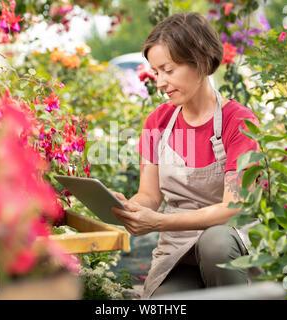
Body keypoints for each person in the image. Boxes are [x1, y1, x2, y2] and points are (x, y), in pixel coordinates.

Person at [111, 12, 260, 299]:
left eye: (168, 70)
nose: (159, 82)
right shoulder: (158, 121)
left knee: (215, 241)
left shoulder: (237, 121)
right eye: (156, 72)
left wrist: (159, 222)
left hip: (230, 242)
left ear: (200, 61)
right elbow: (150, 195)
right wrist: (131, 207)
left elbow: (232, 208)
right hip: (178, 250)